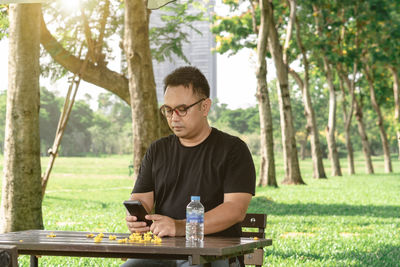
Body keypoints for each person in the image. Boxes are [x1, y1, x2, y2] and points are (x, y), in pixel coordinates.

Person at [122, 66, 256, 267]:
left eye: (182, 109)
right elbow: (141, 199)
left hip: (216, 255)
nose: (174, 117)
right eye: (168, 110)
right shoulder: (158, 150)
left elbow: (235, 210)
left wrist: (179, 226)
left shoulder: (233, 150)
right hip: (163, 251)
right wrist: (137, 218)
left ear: (205, 107)